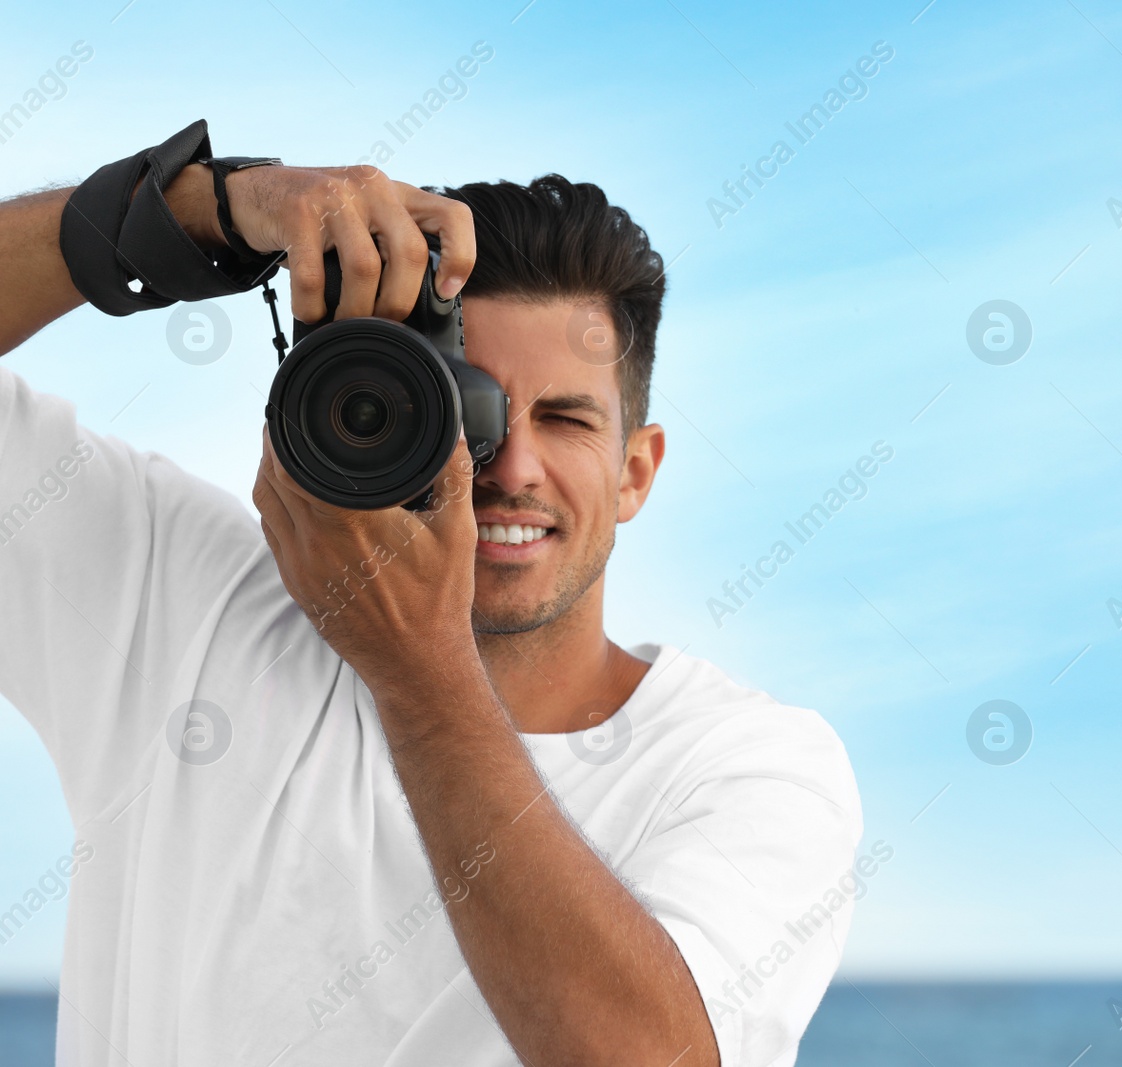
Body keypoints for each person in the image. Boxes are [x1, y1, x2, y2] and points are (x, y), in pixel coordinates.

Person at [0, 122, 862, 1066]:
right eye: (463, 406)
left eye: (567, 419)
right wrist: (207, 210)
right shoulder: (176, 599)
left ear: (635, 473)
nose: (509, 467)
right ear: (351, 402)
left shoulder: (748, 767)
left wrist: (422, 669)